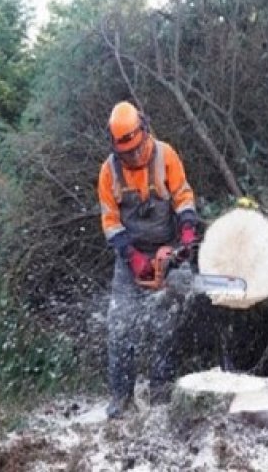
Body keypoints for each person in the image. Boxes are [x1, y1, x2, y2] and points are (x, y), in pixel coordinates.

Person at [97, 100, 201, 419]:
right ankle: (122, 398)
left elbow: (183, 196)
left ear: (144, 132)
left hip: (165, 248)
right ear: (117, 147)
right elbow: (110, 222)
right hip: (129, 255)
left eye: (136, 148)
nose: (134, 156)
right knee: (121, 323)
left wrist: (185, 236)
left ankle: (161, 395)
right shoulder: (109, 172)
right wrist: (132, 257)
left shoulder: (165, 155)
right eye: (126, 152)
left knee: (164, 326)